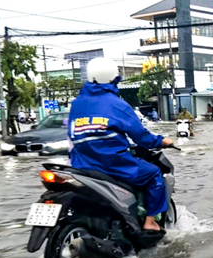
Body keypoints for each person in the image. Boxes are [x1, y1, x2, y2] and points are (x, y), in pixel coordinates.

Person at [68, 57, 174, 234]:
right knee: (154, 174)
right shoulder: (117, 104)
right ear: (113, 79)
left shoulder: (77, 104)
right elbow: (141, 137)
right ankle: (150, 223)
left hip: (81, 164)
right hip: (113, 164)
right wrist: (161, 141)